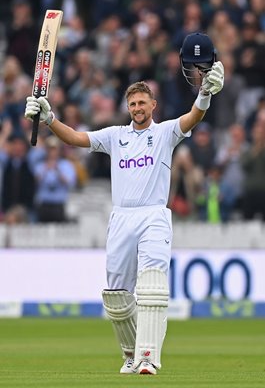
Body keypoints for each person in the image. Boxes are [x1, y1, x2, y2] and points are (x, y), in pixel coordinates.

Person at [25, 33, 224, 375]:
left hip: (153, 216)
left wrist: (204, 93)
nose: (137, 109)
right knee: (116, 297)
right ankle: (131, 354)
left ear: (153, 105)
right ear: (127, 107)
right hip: (121, 217)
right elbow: (75, 138)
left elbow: (193, 117)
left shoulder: (165, 133)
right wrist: (48, 119)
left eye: (142, 103)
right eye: (132, 104)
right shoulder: (115, 136)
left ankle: (149, 357)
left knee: (151, 286)